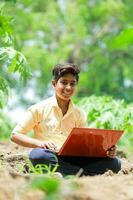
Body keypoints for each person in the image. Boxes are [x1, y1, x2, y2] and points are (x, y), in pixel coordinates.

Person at [11, 63, 121, 176]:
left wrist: (105, 151)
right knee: (38, 156)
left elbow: (85, 145)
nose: (68, 87)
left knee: (114, 163)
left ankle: (67, 173)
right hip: (49, 155)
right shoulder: (38, 109)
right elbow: (15, 135)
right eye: (64, 82)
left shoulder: (80, 114)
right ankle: (82, 175)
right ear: (54, 84)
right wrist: (40, 143)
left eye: (72, 84)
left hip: (73, 158)